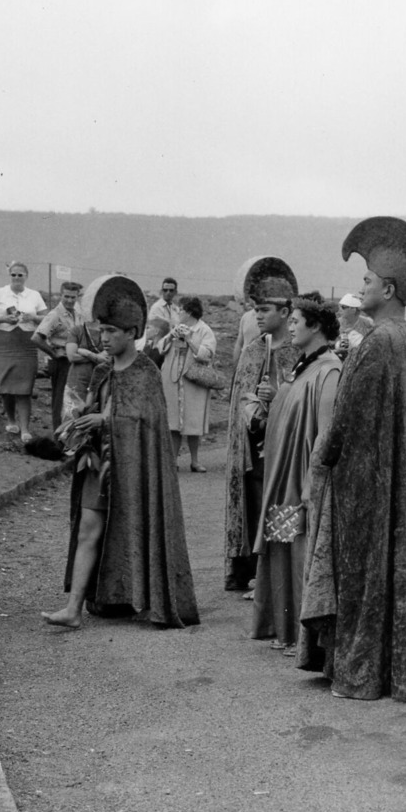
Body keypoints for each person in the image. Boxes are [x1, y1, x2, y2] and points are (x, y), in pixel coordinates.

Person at [297, 217, 406, 700]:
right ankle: (393, 673)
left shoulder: (376, 340)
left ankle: (358, 672)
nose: (362, 288)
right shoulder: (402, 339)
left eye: (368, 281)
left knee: (359, 573)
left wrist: (323, 461)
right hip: (388, 474)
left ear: (389, 288)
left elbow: (348, 414)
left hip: (361, 478)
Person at [42, 276, 198, 629]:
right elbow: (94, 407)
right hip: (99, 466)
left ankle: (142, 597)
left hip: (133, 471)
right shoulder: (101, 370)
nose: (104, 338)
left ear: (132, 331)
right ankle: (73, 609)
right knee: (87, 530)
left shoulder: (146, 373)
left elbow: (148, 423)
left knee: (136, 528)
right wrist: (81, 418)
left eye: (112, 331)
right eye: (101, 330)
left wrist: (107, 420)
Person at [252, 296, 342, 652]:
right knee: (282, 548)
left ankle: (306, 637)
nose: (290, 326)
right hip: (282, 478)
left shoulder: (329, 369)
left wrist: (311, 484)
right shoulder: (304, 366)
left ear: (316, 326)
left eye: (296, 321)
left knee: (299, 551)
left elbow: (326, 430)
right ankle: (285, 627)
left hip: (301, 479)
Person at [224, 261, 298, 594]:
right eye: (255, 309)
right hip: (253, 449)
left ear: (285, 312)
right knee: (253, 507)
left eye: (264, 309)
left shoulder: (299, 352)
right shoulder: (253, 352)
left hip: (284, 447)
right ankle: (250, 570)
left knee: (282, 506)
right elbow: (239, 398)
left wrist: (278, 395)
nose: (258, 315)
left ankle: (278, 576)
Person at [0, 262, 48, 444]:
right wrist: (4, 318)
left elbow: (47, 317)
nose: (17, 278)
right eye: (14, 275)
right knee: (6, 384)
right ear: (9, 276)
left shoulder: (34, 295)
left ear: (26, 276)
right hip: (2, 342)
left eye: (20, 275)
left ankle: (25, 429)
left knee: (23, 387)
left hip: (25, 343)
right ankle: (11, 421)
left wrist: (33, 317)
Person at [159, 295, 219, 471]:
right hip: (173, 380)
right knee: (173, 422)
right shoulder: (175, 328)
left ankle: (195, 461)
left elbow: (206, 354)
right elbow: (160, 348)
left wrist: (189, 340)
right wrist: (171, 336)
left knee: (193, 421)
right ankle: (174, 460)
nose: (178, 313)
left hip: (194, 382)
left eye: (181, 310)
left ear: (190, 312)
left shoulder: (204, 330)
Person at [33, 280, 86, 430]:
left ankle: (71, 435)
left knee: (74, 398)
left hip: (75, 360)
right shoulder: (55, 315)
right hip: (61, 361)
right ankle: (58, 436)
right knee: (60, 399)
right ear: (60, 295)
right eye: (66, 296)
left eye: (73, 297)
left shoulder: (78, 313)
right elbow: (37, 338)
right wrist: (54, 353)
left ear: (77, 297)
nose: (69, 300)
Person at [333, 293, 370, 361]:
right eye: (340, 306)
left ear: (353, 309)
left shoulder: (367, 324)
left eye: (343, 307)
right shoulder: (335, 324)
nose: (340, 309)